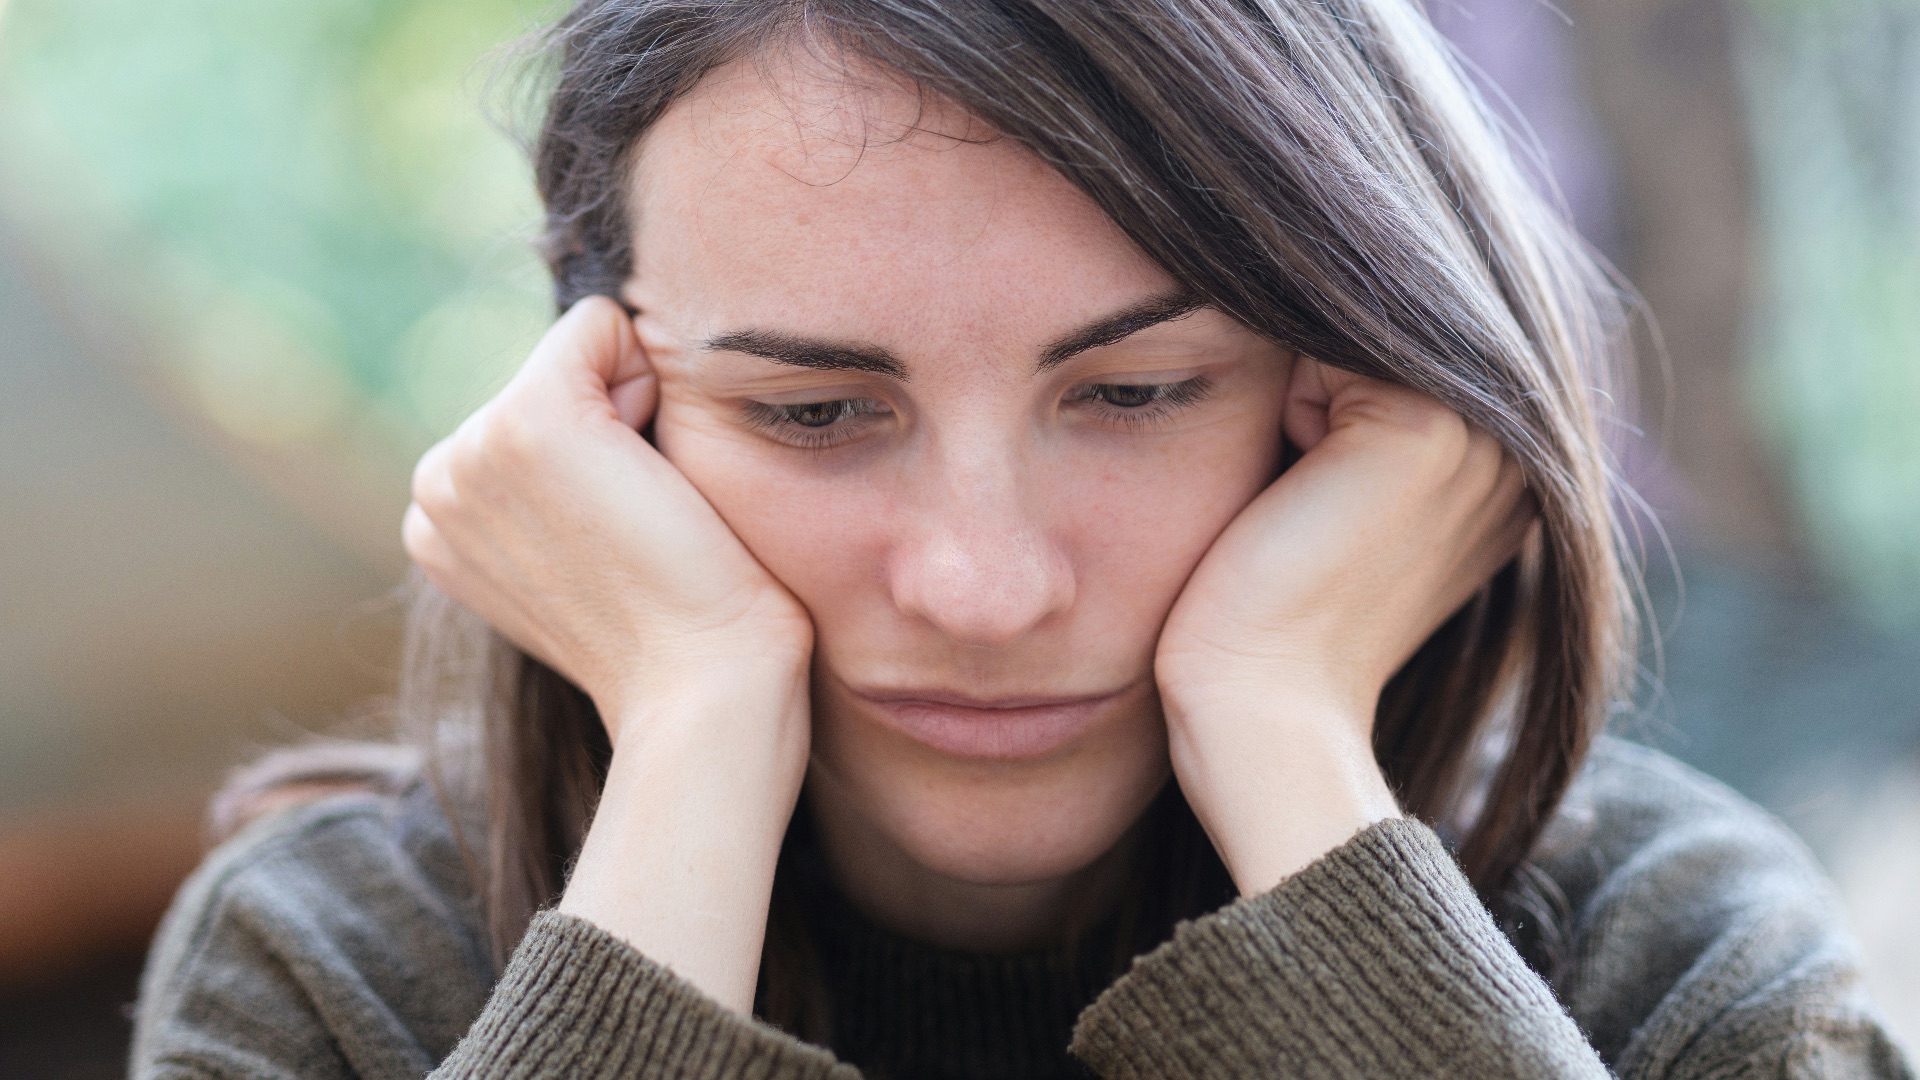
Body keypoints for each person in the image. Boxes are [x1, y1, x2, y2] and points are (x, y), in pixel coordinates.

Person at [132, 1, 1914, 1077]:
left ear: (1365, 393)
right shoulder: (342, 974)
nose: (981, 589)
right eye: (813, 412)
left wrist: (1281, 735)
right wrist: (692, 738)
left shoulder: (1670, 964)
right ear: (602, 409)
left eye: (1138, 392)